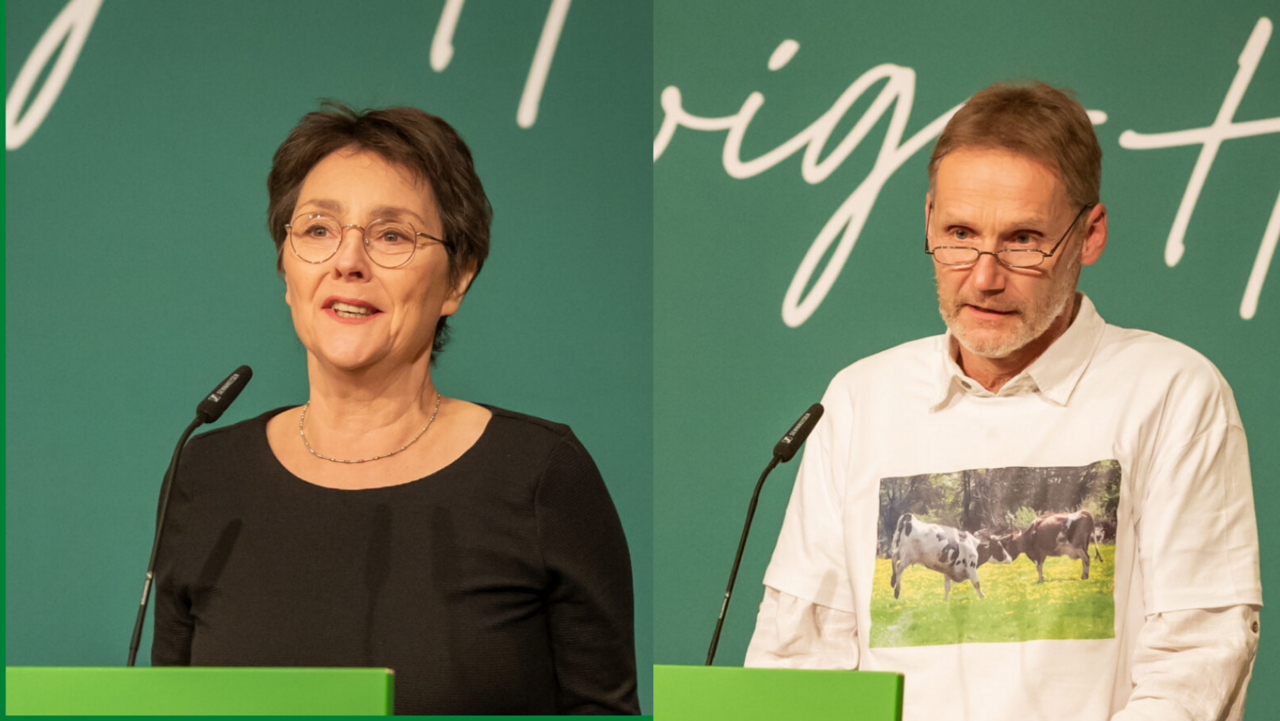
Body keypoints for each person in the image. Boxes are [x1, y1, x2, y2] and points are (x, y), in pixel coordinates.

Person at [745, 82, 1262, 720]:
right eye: (960, 233)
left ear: (1090, 234)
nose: (985, 277)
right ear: (928, 220)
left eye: (1022, 239)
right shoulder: (856, 402)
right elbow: (798, 660)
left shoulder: (1173, 392)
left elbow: (1196, 659)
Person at [151, 102, 640, 716]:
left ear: (457, 279)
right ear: (285, 266)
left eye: (391, 236)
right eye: (318, 230)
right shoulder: (206, 474)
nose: (347, 262)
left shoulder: (539, 475)